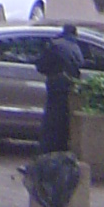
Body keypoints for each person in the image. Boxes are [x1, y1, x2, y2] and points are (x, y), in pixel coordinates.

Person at [35, 22, 84, 154]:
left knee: (51, 121)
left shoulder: (55, 44)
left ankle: (46, 152)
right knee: (63, 120)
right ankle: (60, 150)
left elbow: (41, 66)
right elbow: (80, 65)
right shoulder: (76, 47)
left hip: (56, 85)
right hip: (69, 86)